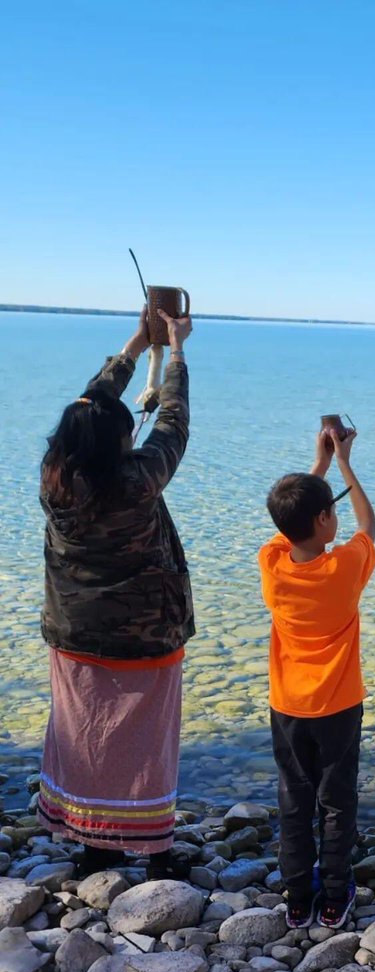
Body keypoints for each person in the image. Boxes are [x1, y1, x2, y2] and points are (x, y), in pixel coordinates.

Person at [38, 308, 194, 878]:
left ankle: (93, 841)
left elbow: (90, 405)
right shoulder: (137, 480)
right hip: (144, 635)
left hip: (74, 633)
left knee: (86, 733)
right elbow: (174, 422)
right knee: (147, 740)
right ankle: (154, 850)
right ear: (118, 443)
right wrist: (174, 352)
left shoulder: (55, 473)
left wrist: (136, 342)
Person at [259, 424, 375, 930]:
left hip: (287, 706)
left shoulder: (272, 563)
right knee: (337, 802)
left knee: (294, 800)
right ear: (327, 518)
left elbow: (291, 526)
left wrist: (319, 467)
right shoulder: (344, 568)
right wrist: (345, 463)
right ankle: (333, 896)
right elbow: (368, 526)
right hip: (338, 706)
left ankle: (295, 898)